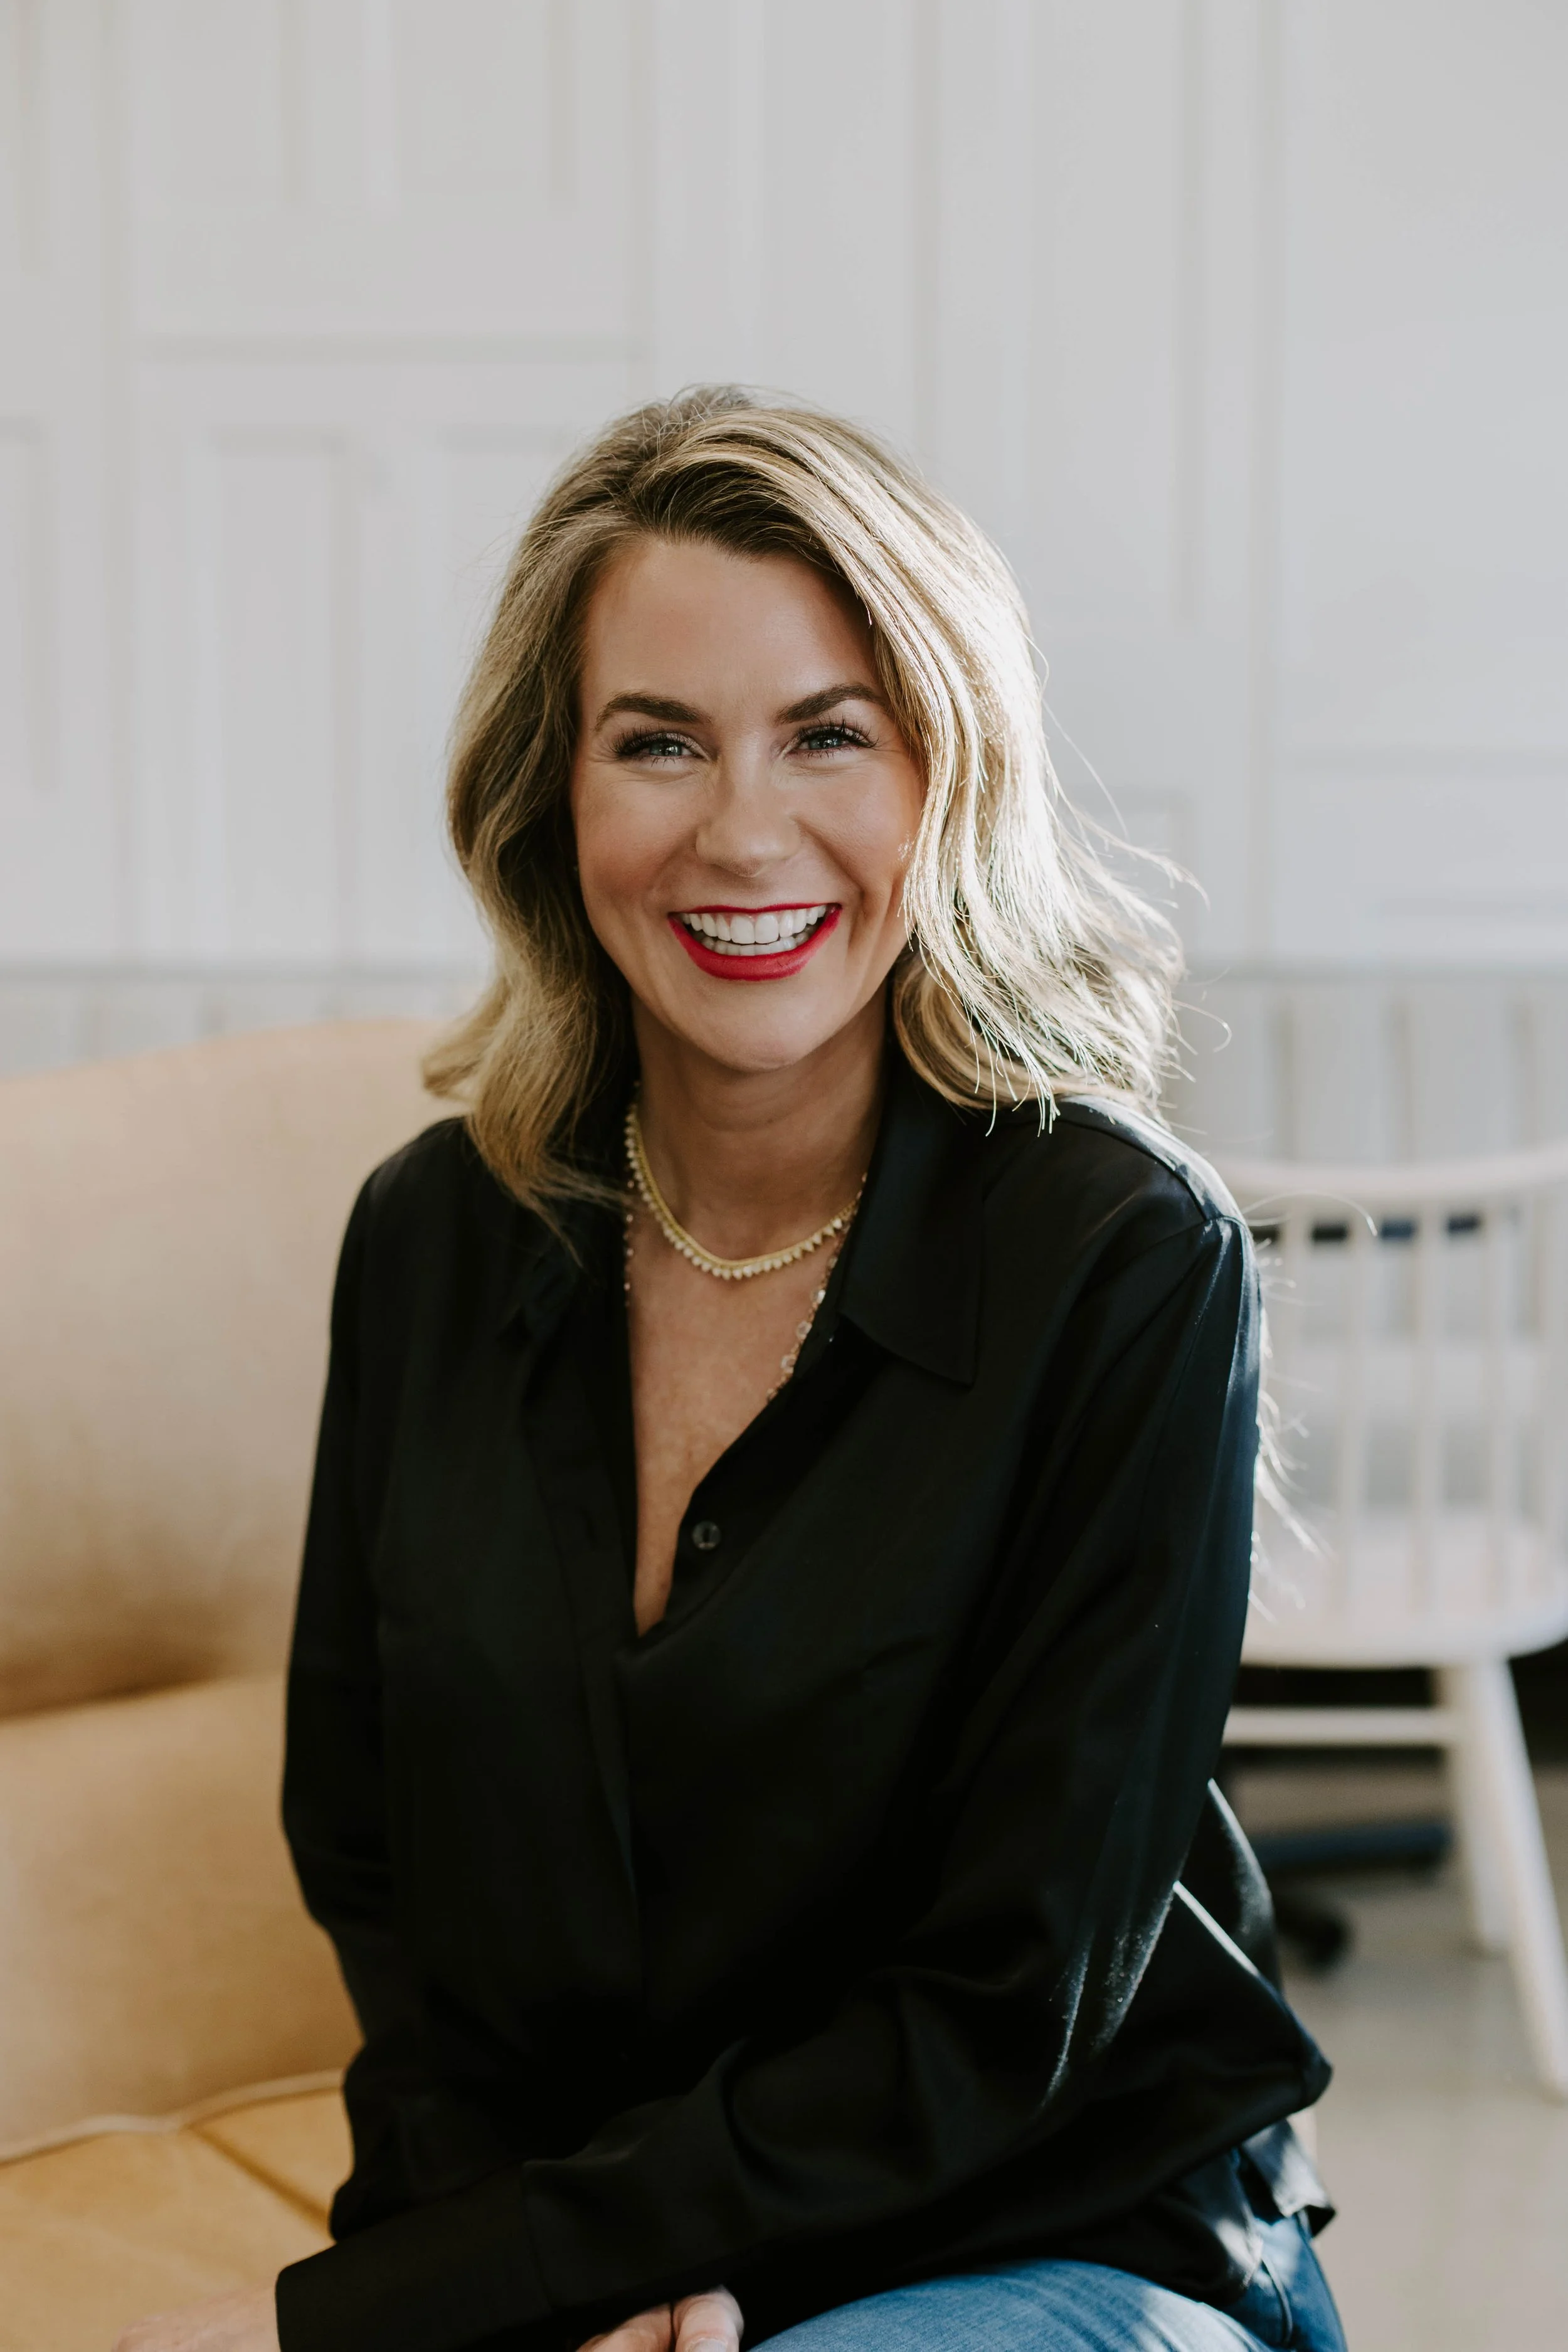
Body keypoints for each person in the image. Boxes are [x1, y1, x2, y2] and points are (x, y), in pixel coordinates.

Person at [115, 389, 1345, 2352]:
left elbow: (1006, 2003)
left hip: (1052, 2237)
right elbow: (376, 1865)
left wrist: (528, 2277)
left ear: (946, 773)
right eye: (656, 741)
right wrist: (540, 2277)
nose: (742, 828)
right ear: (554, 795)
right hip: (610, 2249)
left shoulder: (1120, 1259)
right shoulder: (435, 1234)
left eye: (826, 734)